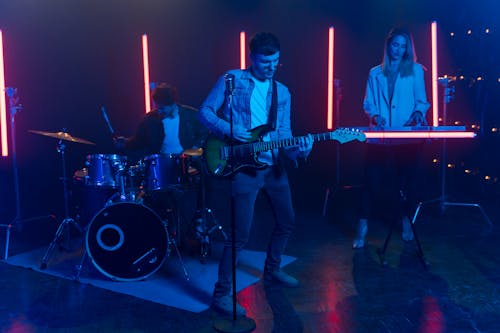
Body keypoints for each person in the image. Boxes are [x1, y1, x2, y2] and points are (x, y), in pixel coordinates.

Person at [198, 32, 314, 316]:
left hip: (273, 166)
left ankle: (273, 270)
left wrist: (301, 150)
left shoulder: (282, 92)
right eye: (265, 62)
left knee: (287, 221)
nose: (271, 67)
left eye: (275, 61)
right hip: (243, 167)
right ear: (251, 58)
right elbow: (204, 112)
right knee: (239, 236)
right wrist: (229, 130)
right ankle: (222, 293)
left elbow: (284, 135)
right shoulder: (233, 80)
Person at [353, 27, 430, 249]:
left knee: (406, 183)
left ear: (408, 49)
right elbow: (368, 103)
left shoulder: (416, 70)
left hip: (406, 136)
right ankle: (362, 226)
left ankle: (406, 222)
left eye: (403, 46)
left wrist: (418, 113)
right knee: (371, 181)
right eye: (395, 44)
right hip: (380, 135)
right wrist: (375, 116)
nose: (398, 49)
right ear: (388, 45)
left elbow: (422, 101)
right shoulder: (375, 72)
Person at [114, 83, 208, 240]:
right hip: (162, 163)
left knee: (205, 177)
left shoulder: (191, 115)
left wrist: (195, 148)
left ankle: (198, 217)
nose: (160, 110)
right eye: (158, 107)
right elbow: (138, 141)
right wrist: (125, 142)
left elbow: (204, 133)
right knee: (158, 198)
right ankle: (163, 231)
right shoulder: (150, 119)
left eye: (163, 108)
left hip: (186, 161)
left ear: (174, 104)